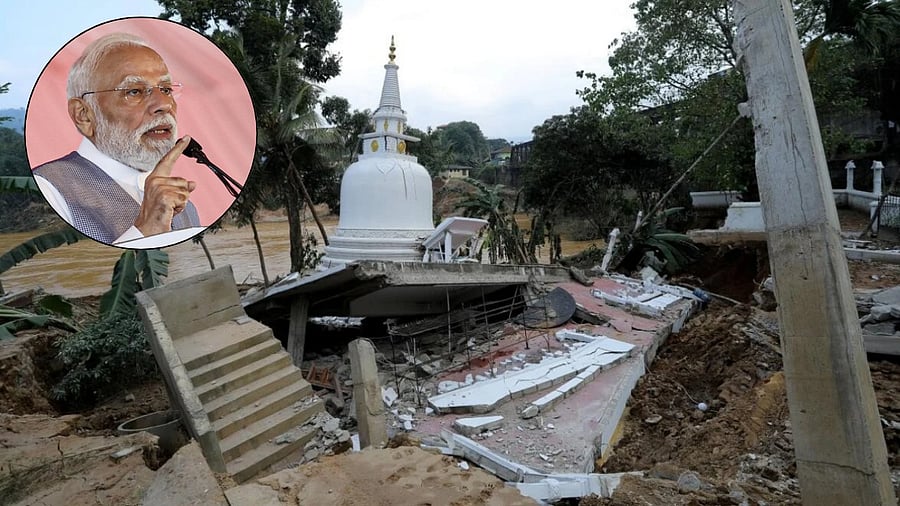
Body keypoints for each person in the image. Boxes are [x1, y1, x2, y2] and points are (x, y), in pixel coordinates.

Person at [33, 32, 200, 245]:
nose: (164, 104)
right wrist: (146, 229)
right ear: (84, 115)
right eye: (134, 92)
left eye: (166, 89)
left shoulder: (185, 205)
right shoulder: (50, 188)